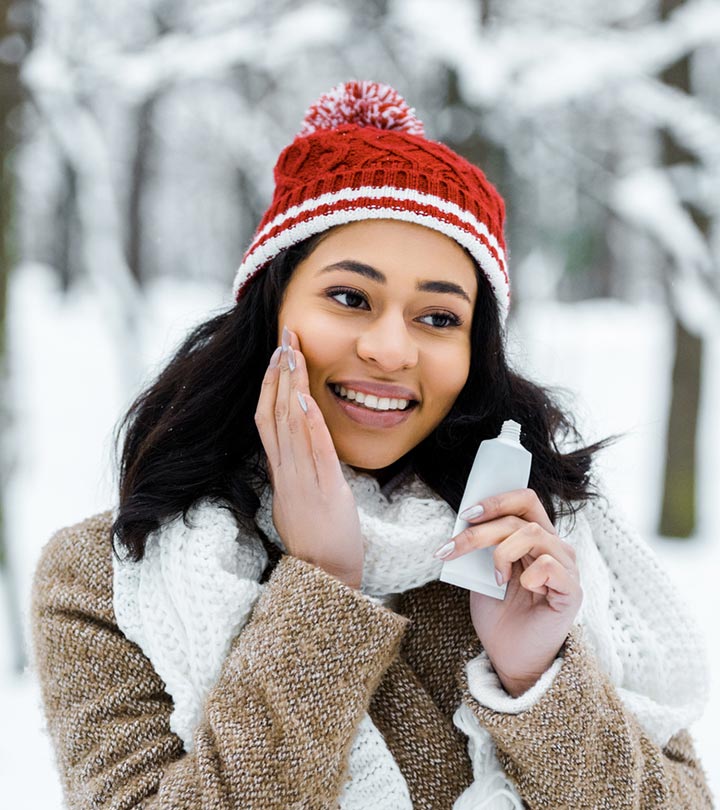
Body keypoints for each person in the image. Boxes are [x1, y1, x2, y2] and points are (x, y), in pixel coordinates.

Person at [31, 81, 712, 809]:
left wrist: (534, 679)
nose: (391, 350)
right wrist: (319, 588)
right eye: (350, 298)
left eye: (439, 317)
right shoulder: (108, 580)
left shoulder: (530, 555)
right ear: (270, 310)